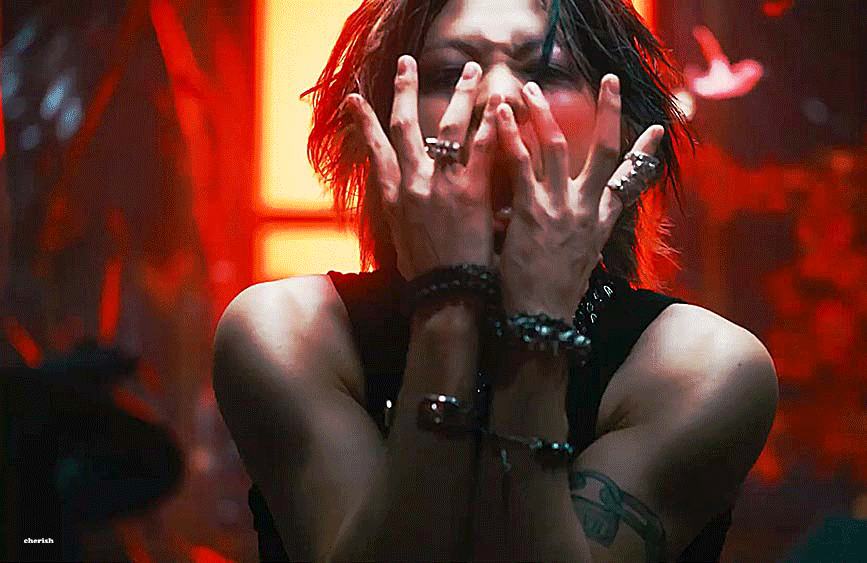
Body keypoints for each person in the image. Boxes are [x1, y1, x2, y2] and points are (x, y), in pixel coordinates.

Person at [212, 0, 778, 561]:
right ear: (379, 131)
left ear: (626, 134)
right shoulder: (292, 333)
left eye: (547, 72)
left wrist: (536, 326)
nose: (499, 97)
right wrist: (449, 305)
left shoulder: (700, 367)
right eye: (447, 75)